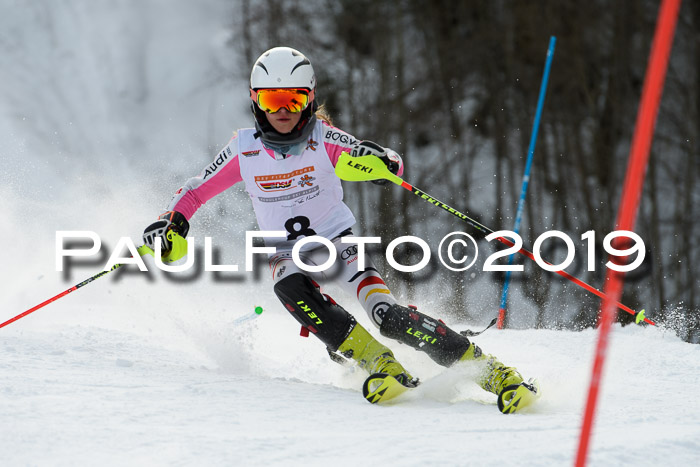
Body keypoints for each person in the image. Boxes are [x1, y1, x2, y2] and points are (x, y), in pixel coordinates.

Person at [143, 47, 531, 410]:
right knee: (290, 286)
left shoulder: (323, 139)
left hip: (338, 243)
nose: (283, 110)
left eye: (293, 99)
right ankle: (378, 362)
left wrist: (382, 162)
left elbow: (382, 161)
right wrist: (171, 221)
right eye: (271, 100)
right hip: (285, 251)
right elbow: (195, 190)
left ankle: (493, 373)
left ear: (309, 98)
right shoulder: (243, 149)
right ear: (255, 100)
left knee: (387, 316)